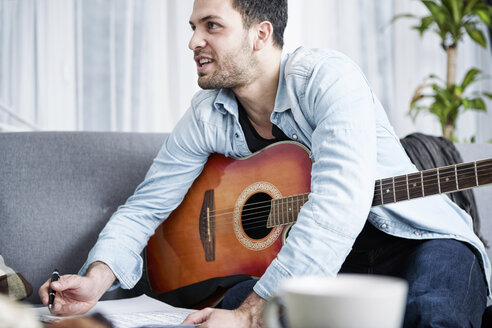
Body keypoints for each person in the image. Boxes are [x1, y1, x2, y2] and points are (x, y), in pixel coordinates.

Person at [39, 0, 490, 327]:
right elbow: (147, 205)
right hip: (334, 263)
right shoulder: (206, 113)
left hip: (421, 239)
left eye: (211, 25)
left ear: (261, 35)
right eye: (194, 26)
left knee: (433, 314)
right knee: (212, 317)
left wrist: (253, 312)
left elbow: (335, 207)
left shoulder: (328, 79)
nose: (193, 41)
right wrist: (96, 280)